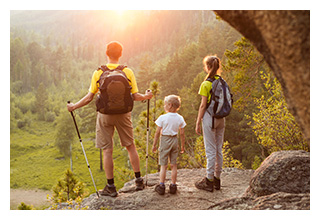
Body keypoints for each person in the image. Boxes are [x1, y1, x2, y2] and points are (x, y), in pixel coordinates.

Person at [67, 41, 153, 197]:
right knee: (130, 146)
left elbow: (88, 98)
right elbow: (135, 96)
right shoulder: (128, 72)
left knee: (107, 150)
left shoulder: (98, 73)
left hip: (105, 116)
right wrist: (147, 96)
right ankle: (139, 181)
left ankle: (111, 187)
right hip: (124, 114)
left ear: (107, 54)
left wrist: (73, 107)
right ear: (121, 54)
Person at [195, 55, 225, 192]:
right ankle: (217, 180)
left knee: (210, 150)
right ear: (218, 67)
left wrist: (197, 122)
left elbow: (202, 106)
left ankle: (209, 181)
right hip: (221, 119)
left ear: (207, 67)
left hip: (209, 119)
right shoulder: (222, 82)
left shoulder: (206, 84)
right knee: (219, 149)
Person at [152, 95, 186, 195]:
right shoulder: (180, 118)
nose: (164, 106)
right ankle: (173, 186)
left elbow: (157, 132)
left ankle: (162, 186)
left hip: (165, 140)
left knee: (164, 165)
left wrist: (154, 144)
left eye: (165, 104)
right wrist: (182, 145)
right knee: (173, 164)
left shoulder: (162, 118)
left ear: (170, 105)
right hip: (175, 140)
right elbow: (182, 133)